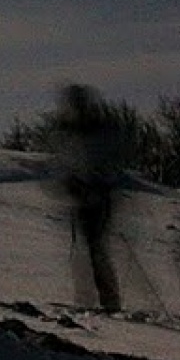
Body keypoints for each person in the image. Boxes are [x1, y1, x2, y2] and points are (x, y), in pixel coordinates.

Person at [51, 83, 126, 311]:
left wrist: (97, 183)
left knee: (95, 247)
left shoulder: (99, 130)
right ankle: (90, 298)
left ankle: (108, 299)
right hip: (82, 197)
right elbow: (66, 161)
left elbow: (110, 162)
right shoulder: (69, 131)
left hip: (99, 196)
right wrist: (71, 182)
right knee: (87, 248)